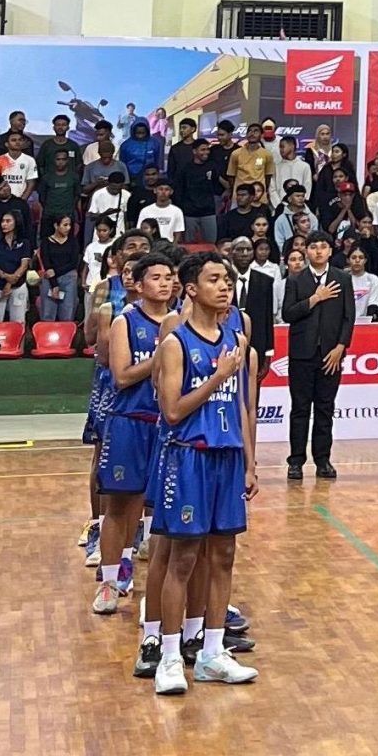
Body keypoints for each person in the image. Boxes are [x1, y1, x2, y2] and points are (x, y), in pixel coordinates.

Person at [147, 255, 259, 697]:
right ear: (191, 289)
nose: (224, 286)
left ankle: (213, 652)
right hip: (189, 456)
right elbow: (172, 411)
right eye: (214, 279)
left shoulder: (238, 339)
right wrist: (216, 377)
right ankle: (170, 656)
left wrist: (249, 462)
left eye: (227, 279)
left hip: (227, 458)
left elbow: (242, 406)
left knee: (224, 555)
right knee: (183, 558)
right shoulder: (175, 343)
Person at [101, 253, 179, 660]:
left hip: (166, 425)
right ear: (139, 283)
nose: (164, 283)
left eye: (169, 277)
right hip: (130, 420)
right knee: (121, 505)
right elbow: (122, 375)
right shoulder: (125, 321)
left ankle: (162, 595)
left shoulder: (182, 321)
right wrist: (163, 356)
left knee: (162, 511)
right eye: (156, 277)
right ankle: (109, 581)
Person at [280, 234, 352, 482]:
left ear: (330, 251)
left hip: (331, 355)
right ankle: (296, 461)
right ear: (306, 251)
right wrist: (314, 299)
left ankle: (323, 460)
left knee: (325, 408)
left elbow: (348, 317)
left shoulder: (342, 278)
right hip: (302, 354)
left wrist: (341, 346)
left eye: (323, 247)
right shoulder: (295, 279)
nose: (319, 251)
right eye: (313, 247)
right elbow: (288, 314)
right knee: (300, 409)